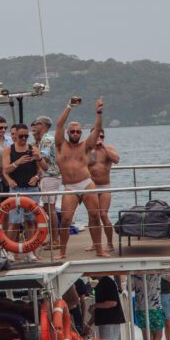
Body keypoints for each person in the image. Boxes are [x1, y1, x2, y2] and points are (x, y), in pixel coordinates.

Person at [55, 96, 106, 259]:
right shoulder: (60, 145)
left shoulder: (85, 146)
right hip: (69, 187)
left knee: (95, 216)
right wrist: (69, 105)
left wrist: (98, 111)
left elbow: (97, 130)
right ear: (68, 133)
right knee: (65, 220)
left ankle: (99, 250)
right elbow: (59, 124)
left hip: (86, 183)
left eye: (78, 131)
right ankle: (62, 252)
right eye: (72, 131)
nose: (75, 133)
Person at [2, 123, 45, 260]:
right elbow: (6, 170)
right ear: (15, 136)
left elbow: (43, 168)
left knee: (31, 221)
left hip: (32, 189)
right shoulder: (9, 150)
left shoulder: (33, 149)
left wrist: (37, 172)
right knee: (14, 221)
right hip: (16, 189)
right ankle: (10, 251)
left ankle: (31, 250)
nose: (24, 139)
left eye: (27, 136)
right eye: (21, 136)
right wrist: (18, 162)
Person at [87, 127, 120, 252]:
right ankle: (95, 243)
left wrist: (103, 147)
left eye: (101, 136)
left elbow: (116, 160)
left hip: (104, 186)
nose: (99, 138)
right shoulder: (87, 150)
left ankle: (110, 244)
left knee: (103, 214)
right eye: (96, 136)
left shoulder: (109, 149)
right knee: (92, 216)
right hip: (90, 187)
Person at [32, 116, 61, 249]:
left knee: (50, 209)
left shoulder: (47, 140)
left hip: (50, 176)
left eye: (36, 123)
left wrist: (36, 156)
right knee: (48, 208)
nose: (34, 126)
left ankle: (55, 239)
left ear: (42, 125)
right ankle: (52, 238)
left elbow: (45, 161)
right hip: (48, 176)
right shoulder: (45, 139)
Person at [88, 275, 125, 340]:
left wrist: (95, 306)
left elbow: (112, 303)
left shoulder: (107, 282)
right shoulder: (103, 283)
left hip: (110, 322)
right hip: (106, 322)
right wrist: (89, 324)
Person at [133, 273, 165, 340]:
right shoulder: (157, 271)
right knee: (158, 335)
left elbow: (130, 288)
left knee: (146, 336)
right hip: (155, 308)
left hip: (140, 308)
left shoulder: (135, 273)